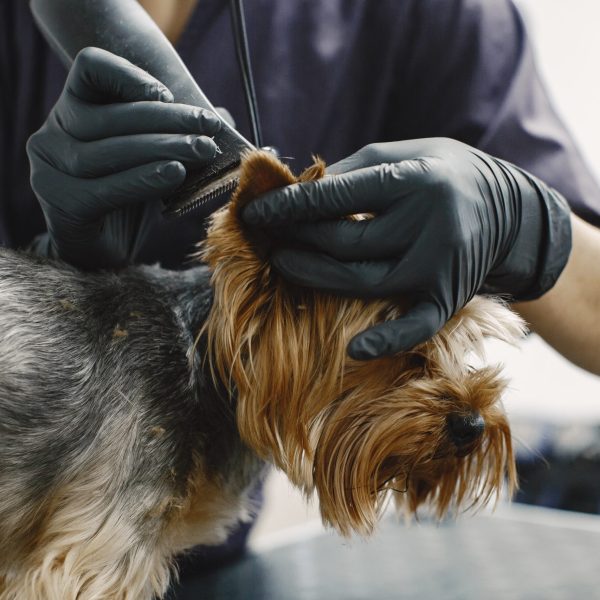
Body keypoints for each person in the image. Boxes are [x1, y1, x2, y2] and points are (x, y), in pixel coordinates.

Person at [1, 0, 599, 568]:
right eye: (392, 351)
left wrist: (530, 227)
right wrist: (48, 279)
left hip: (182, 553)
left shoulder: (422, 16)